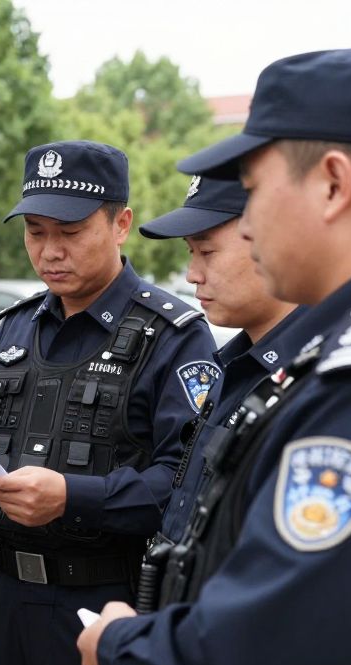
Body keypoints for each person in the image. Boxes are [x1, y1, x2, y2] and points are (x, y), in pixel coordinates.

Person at [78, 48, 351, 665]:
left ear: (332, 183)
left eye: (253, 186)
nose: (247, 220)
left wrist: (118, 645)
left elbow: (251, 663)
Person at [0, 140, 217, 665]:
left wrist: (74, 497)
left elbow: (188, 487)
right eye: (35, 232)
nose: (49, 251)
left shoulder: (173, 336)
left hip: (112, 601)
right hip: (11, 604)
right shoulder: (14, 329)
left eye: (70, 231)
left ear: (120, 223)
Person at [138, 176, 299, 543]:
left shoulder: (308, 377)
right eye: (190, 253)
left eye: (207, 252)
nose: (193, 275)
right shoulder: (235, 365)